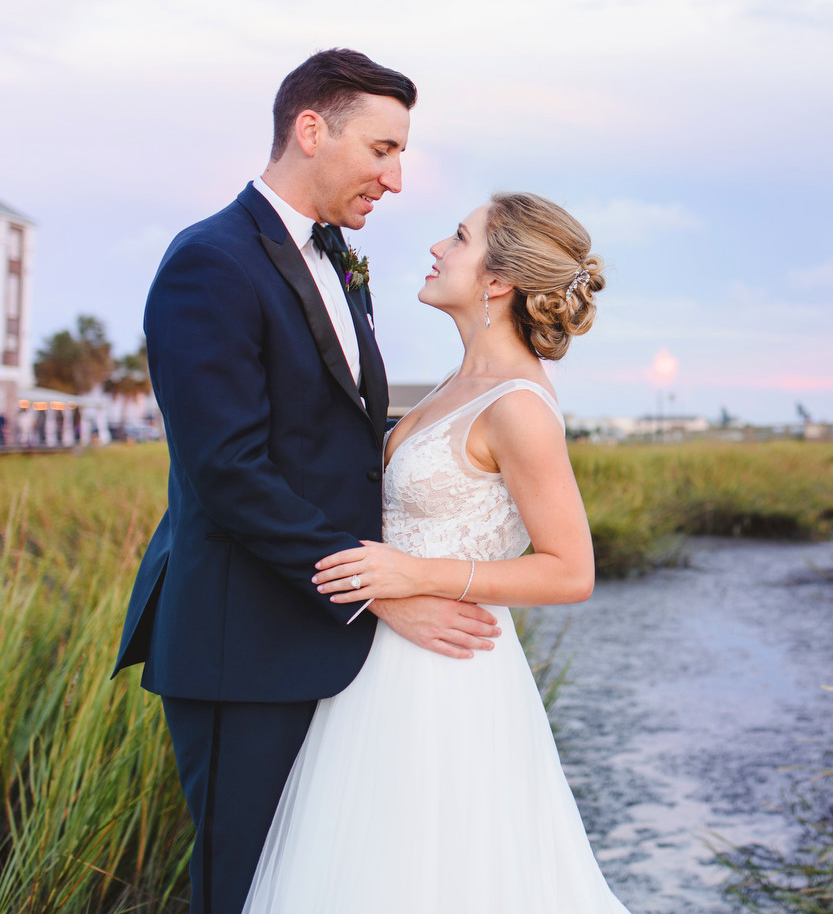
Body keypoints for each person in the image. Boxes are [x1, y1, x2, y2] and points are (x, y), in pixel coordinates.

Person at [114, 50, 505, 914]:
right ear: (310, 129)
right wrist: (376, 592)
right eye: (382, 149)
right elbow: (226, 472)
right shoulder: (210, 262)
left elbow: (342, 444)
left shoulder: (337, 259)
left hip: (323, 641)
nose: (396, 178)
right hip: (241, 643)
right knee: (243, 887)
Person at [241, 192, 626, 911]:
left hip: (447, 678)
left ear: (498, 281)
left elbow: (571, 571)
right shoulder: (459, 383)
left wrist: (416, 574)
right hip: (381, 664)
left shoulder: (518, 405)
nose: (437, 249)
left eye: (458, 237)